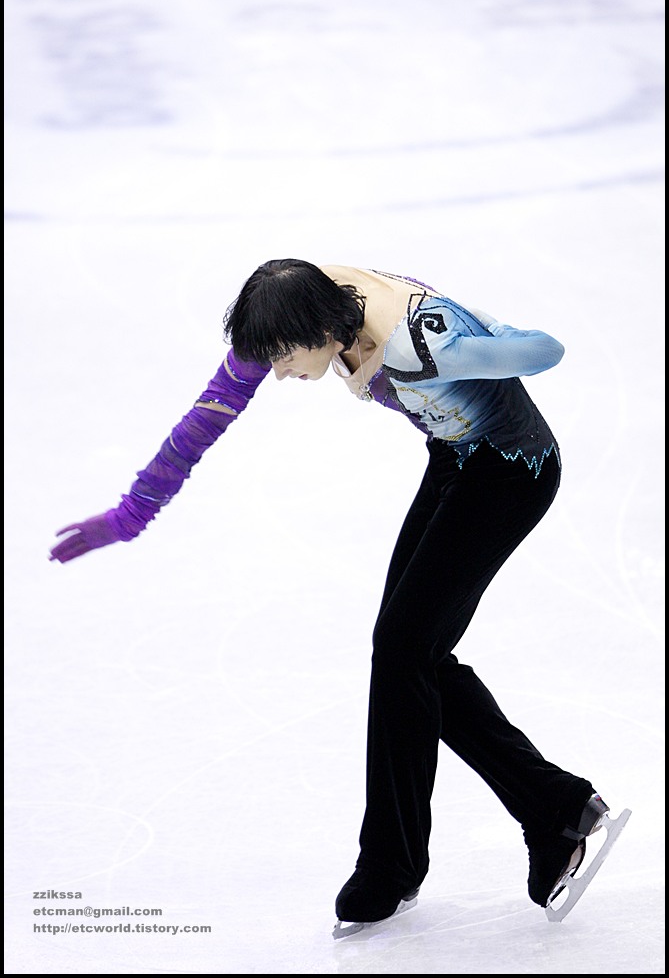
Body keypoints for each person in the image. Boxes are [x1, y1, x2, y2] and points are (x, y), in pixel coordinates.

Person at [49, 259, 621, 934]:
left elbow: (544, 350)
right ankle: (546, 809)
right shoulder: (287, 310)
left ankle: (411, 859)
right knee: (410, 656)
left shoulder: (416, 338)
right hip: (454, 460)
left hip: (510, 473)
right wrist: (129, 516)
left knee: (407, 652)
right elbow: (204, 420)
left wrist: (486, 334)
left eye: (287, 358)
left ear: (321, 326)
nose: (282, 373)